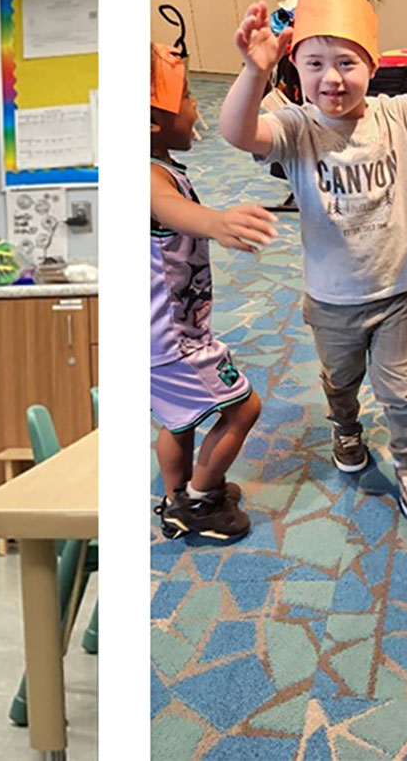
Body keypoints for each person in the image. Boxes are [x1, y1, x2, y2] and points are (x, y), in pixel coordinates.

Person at [218, 0, 407, 521]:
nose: (332, 77)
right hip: (331, 299)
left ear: (371, 65)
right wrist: (253, 72)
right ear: (294, 69)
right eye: (314, 63)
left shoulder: (396, 116)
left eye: (347, 62)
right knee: (340, 382)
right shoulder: (297, 128)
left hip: (395, 292)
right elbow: (236, 131)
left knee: (401, 389)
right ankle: (346, 431)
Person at [150, 31, 272, 541]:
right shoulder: (146, 176)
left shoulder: (157, 166)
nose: (198, 106)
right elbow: (168, 209)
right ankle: (199, 500)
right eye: (188, 98)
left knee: (178, 420)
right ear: (153, 121)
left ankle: (175, 494)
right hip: (175, 342)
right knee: (244, 407)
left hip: (159, 336)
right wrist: (216, 222)